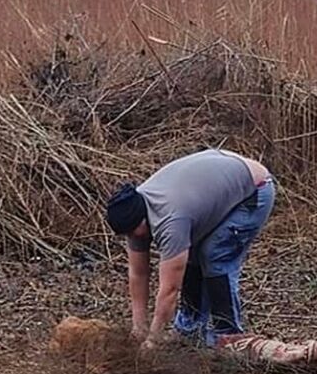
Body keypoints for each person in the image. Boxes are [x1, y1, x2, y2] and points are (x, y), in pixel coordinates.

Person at [105, 148, 275, 350]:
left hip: (255, 189)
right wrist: (138, 327)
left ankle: (229, 335)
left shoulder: (170, 221)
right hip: (217, 175)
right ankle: (190, 332)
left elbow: (170, 289)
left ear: (142, 220)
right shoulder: (135, 210)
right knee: (190, 255)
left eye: (133, 233)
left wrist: (153, 339)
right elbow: (138, 273)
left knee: (215, 254)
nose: (132, 238)